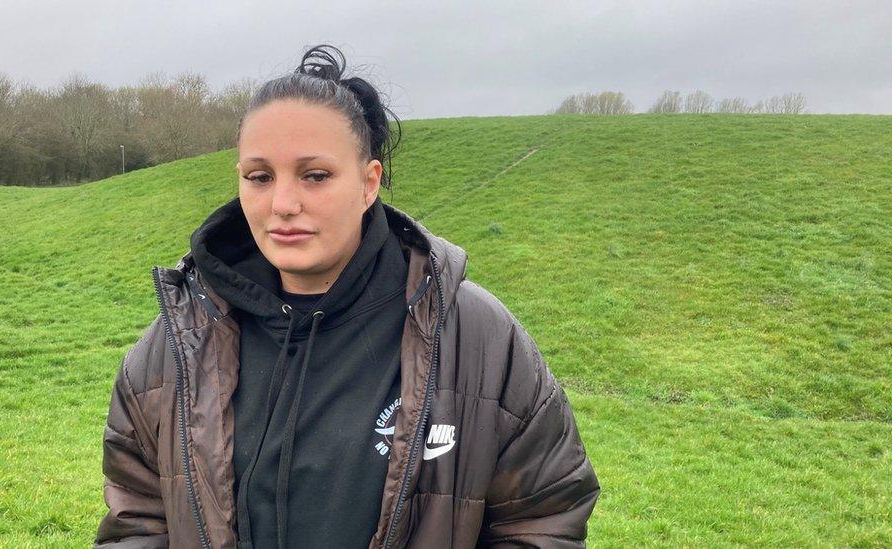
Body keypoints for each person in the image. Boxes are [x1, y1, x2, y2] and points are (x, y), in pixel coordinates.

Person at [94, 44, 599, 549]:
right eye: (260, 177)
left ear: (368, 183)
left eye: (315, 175)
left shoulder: (480, 339)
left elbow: (545, 518)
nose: (283, 204)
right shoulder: (176, 343)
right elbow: (137, 520)